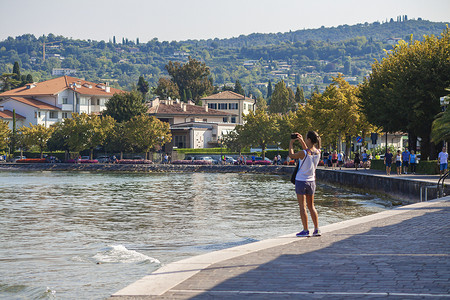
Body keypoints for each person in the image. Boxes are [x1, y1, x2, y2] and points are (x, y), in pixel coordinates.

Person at [289, 131, 322, 238]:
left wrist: (291, 143)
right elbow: (308, 151)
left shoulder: (303, 153)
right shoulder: (318, 152)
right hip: (311, 181)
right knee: (311, 206)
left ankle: (305, 230)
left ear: (309, 140)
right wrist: (301, 139)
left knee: (302, 207)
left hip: (301, 181)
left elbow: (291, 155)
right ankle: (317, 229)